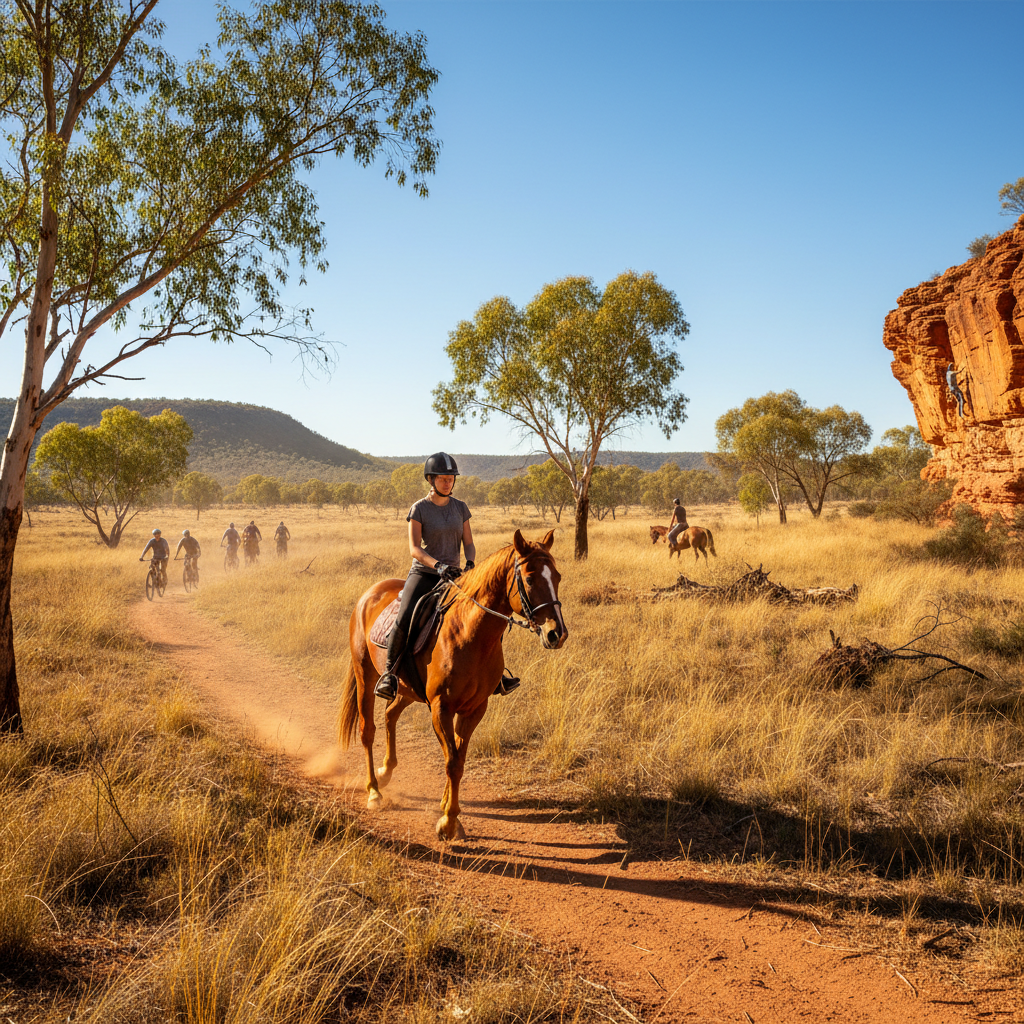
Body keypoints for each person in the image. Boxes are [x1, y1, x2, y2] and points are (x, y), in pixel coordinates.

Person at [375, 452, 478, 702]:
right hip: (424, 573)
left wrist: (470, 563)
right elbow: (415, 549)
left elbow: (469, 542)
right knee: (406, 614)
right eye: (442, 479)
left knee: (481, 611)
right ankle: (389, 674)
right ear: (431, 480)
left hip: (454, 575)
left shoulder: (460, 508)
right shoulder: (419, 509)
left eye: (451, 479)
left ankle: (494, 675)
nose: (448, 483)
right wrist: (438, 565)